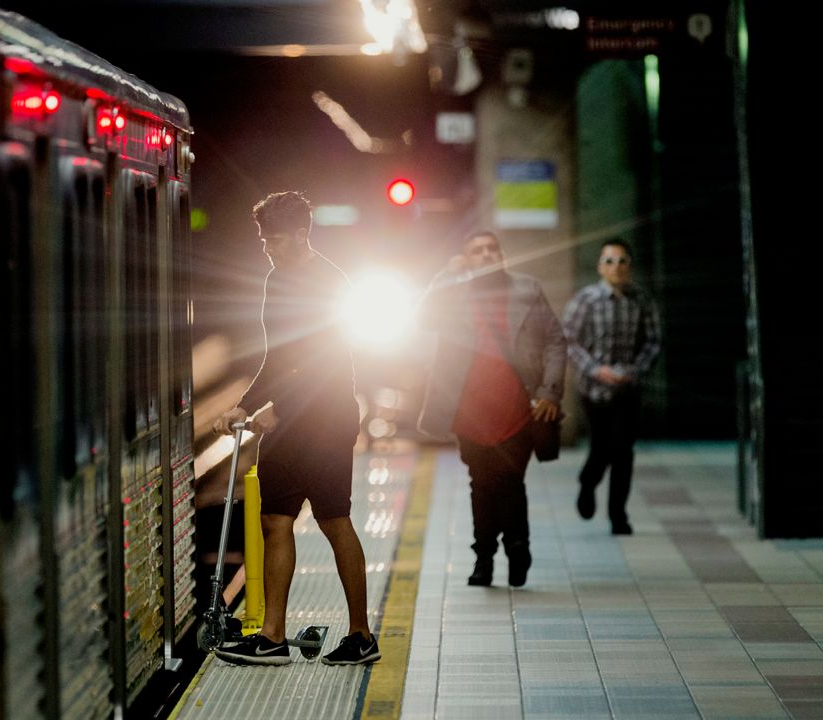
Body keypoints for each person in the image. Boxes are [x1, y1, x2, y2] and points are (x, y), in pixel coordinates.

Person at [210, 191, 378, 667]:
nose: (268, 247)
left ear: (301, 234)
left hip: (325, 420)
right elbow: (279, 357)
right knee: (274, 519)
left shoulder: (328, 281)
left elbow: (323, 361)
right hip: (291, 422)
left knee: (333, 519)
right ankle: (272, 637)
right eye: (264, 239)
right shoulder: (275, 279)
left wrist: (273, 409)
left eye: (276, 239)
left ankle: (362, 635)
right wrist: (244, 403)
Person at [417, 231, 566, 587]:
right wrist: (446, 273)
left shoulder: (527, 289)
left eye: (492, 248)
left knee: (511, 482)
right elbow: (423, 317)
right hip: (470, 412)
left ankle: (517, 549)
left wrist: (550, 391)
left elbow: (555, 340)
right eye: (477, 251)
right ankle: (483, 558)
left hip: (518, 408)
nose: (487, 255)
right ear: (466, 259)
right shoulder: (454, 293)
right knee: (481, 485)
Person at [562, 239, 662, 535]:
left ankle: (618, 515)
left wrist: (636, 370)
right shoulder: (586, 299)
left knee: (623, 450)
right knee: (602, 446)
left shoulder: (641, 299)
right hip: (593, 389)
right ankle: (588, 481)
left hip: (628, 388)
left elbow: (655, 340)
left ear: (629, 266)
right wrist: (595, 369)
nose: (616, 267)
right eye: (609, 261)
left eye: (622, 261)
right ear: (600, 267)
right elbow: (567, 339)